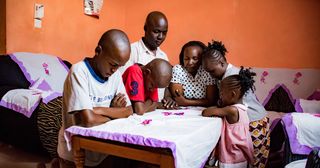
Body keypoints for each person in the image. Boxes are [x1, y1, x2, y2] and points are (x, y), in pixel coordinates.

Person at [57, 29, 133, 167]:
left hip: (101, 152)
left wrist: (98, 110)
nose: (115, 70)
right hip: (75, 153)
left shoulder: (114, 75)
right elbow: (89, 121)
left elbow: (129, 111)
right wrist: (114, 113)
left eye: (120, 66)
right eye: (113, 64)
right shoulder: (79, 71)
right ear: (98, 51)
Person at [202, 40, 270, 168]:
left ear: (221, 63)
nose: (211, 75)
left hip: (254, 120)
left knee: (254, 159)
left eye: (212, 71)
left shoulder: (232, 76)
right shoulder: (225, 75)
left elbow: (227, 105)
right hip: (250, 119)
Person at [202, 67, 255, 168]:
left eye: (222, 93)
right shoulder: (243, 109)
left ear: (232, 94)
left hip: (232, 157)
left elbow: (206, 112)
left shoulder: (231, 110)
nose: (220, 96)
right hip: (241, 156)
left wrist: (218, 105)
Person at [119, 11, 174, 107]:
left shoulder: (163, 56)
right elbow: (121, 83)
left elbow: (165, 87)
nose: (160, 37)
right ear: (145, 28)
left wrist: (168, 97)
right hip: (139, 107)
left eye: (164, 33)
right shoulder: (131, 51)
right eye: (156, 31)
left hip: (156, 108)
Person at [169, 41, 218, 106]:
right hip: (182, 111)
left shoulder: (207, 71)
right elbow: (178, 99)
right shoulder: (178, 70)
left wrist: (186, 102)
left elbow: (211, 101)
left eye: (195, 58)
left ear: (202, 59)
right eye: (186, 58)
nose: (190, 62)